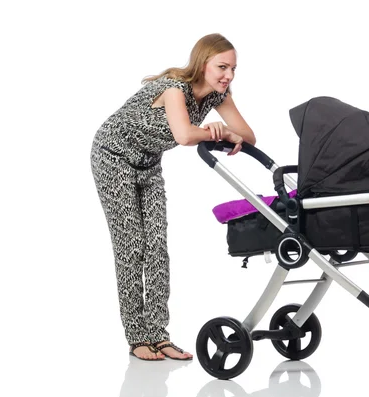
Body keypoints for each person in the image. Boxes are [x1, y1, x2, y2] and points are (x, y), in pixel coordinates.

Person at [90, 33, 256, 361]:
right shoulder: (175, 88)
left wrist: (231, 132)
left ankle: (160, 336)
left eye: (233, 69)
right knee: (131, 246)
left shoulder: (217, 96)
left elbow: (249, 136)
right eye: (222, 67)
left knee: (157, 247)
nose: (229, 75)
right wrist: (216, 131)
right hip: (113, 155)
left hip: (148, 163)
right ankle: (138, 337)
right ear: (202, 64)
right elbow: (183, 135)